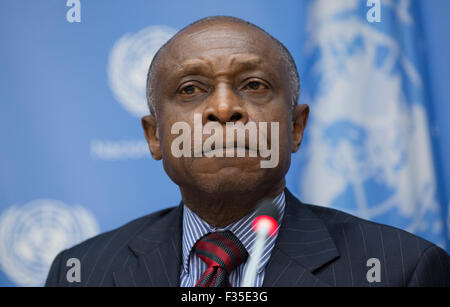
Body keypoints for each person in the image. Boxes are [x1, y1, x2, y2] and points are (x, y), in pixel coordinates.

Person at [45, 16, 450, 287]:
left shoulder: (401, 269)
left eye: (254, 85)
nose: (223, 109)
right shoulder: (82, 272)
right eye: (190, 89)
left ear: (295, 127)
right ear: (155, 136)